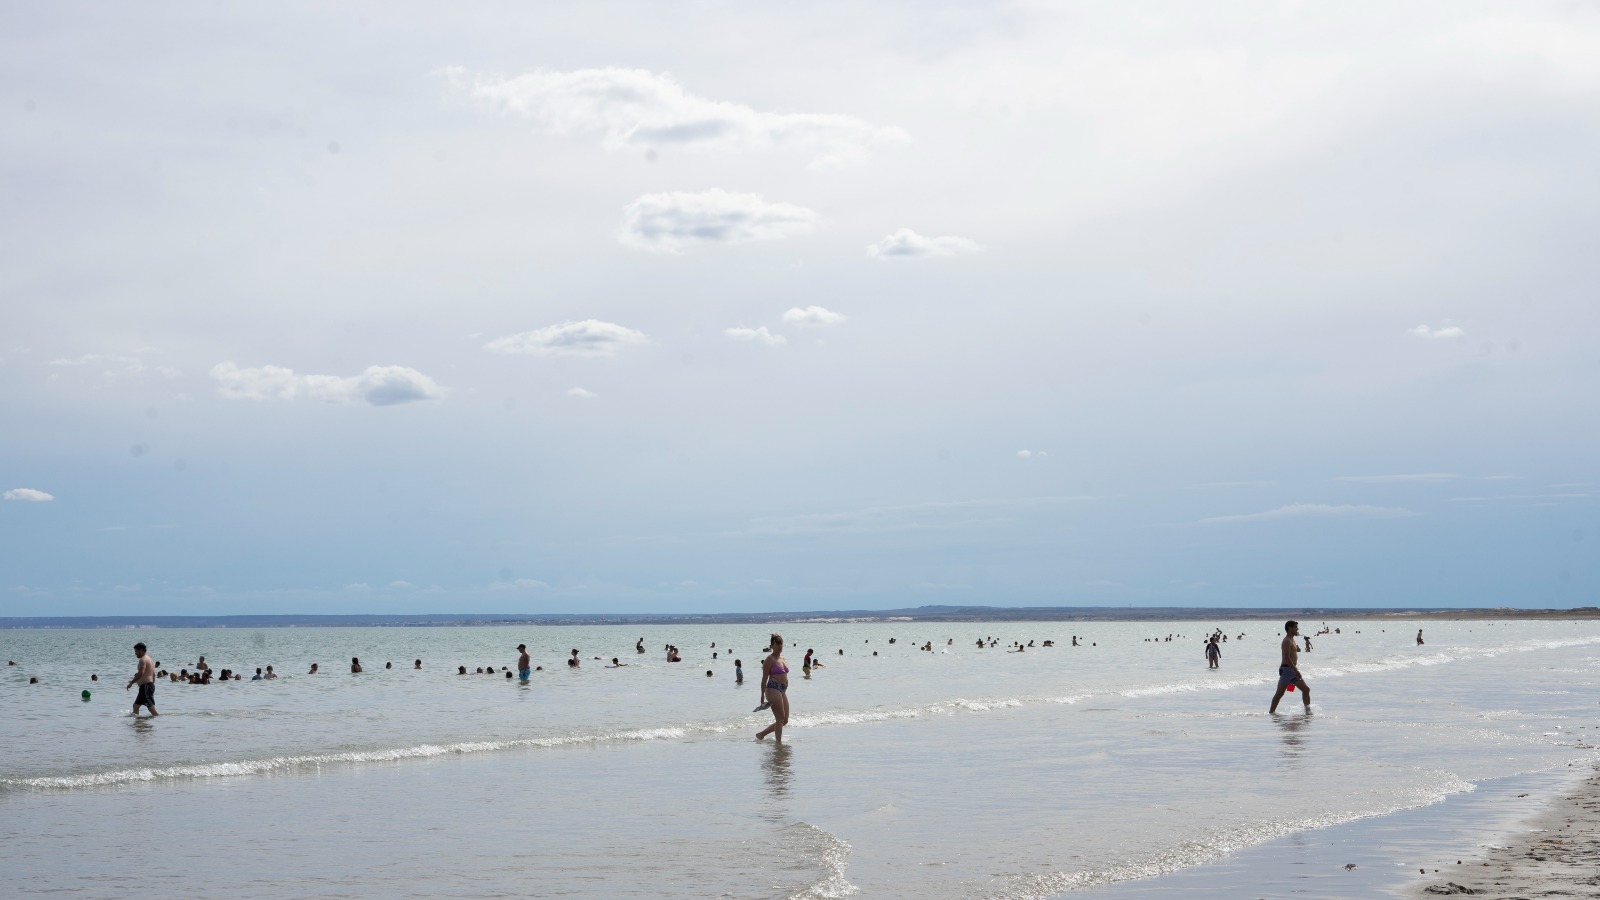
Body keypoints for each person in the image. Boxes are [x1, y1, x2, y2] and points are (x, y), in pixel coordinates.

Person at [1270, 620, 1311, 713]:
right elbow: (1286, 657)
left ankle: (1308, 712)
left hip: (1291, 670)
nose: (1298, 629)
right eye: (1296, 627)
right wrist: (1295, 670)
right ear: (1290, 628)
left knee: (1306, 689)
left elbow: (1292, 653)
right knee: (1279, 694)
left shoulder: (1292, 639)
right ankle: (1271, 712)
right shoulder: (1286, 641)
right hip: (1287, 670)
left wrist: (1297, 649)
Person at [755, 633, 790, 743]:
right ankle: (779, 745)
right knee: (780, 719)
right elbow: (764, 679)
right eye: (777, 644)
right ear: (772, 646)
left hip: (782, 690)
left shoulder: (782, 658)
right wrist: (762, 696)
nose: (780, 646)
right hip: (772, 688)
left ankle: (761, 734)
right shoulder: (769, 659)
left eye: (781, 644)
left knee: (785, 720)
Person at [126, 642, 158, 716]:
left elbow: (141, 673)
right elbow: (152, 674)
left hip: (146, 687)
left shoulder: (142, 660)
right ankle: (138, 724)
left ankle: (160, 721)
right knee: (136, 706)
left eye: (136, 651)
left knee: (151, 708)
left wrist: (131, 683)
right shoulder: (149, 659)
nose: (135, 653)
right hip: (146, 687)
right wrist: (152, 684)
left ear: (140, 650)